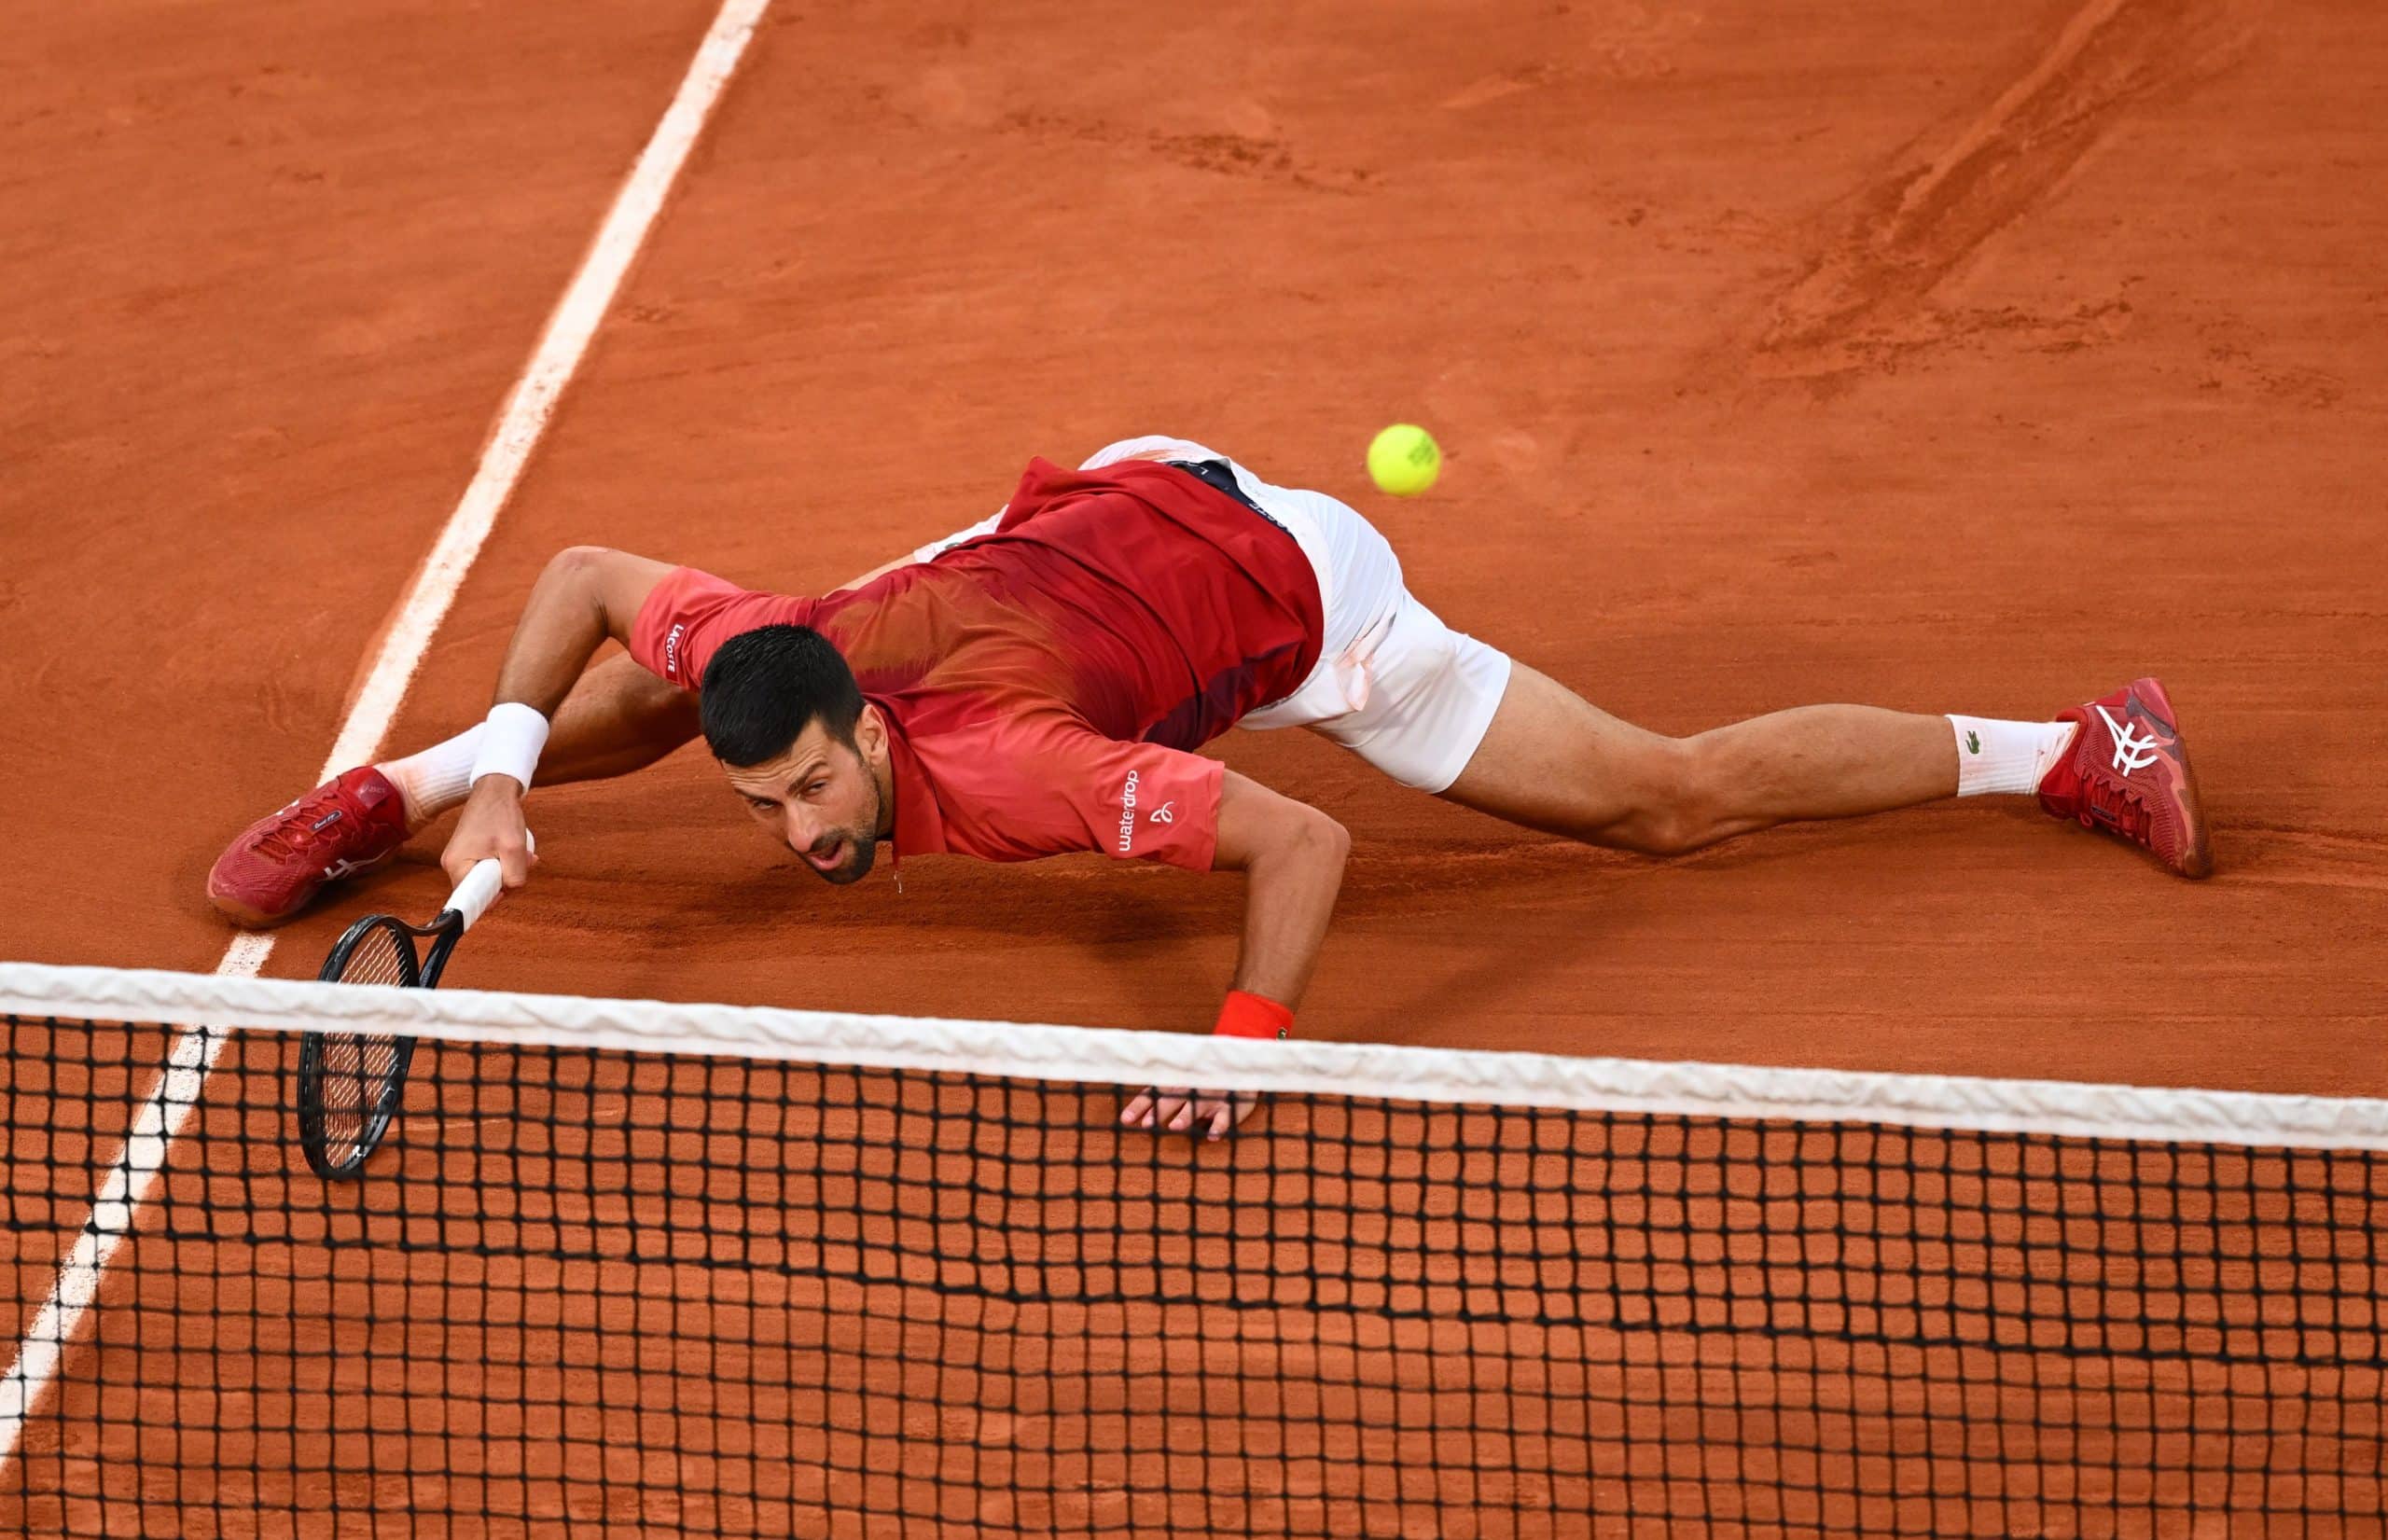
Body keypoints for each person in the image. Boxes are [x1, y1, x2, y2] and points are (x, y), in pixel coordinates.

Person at [208, 436, 2212, 1135]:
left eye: (821, 794)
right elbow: (574, 575)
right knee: (670, 685)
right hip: (1095, 518)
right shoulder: (784, 682)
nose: (811, 834)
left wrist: (1250, 1043)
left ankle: (2077, 746)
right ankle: (387, 806)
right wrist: (491, 777)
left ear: (887, 747)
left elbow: (1303, 830)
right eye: (788, 812)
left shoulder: (1024, 779)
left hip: (1292, 592)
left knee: (1659, 796)